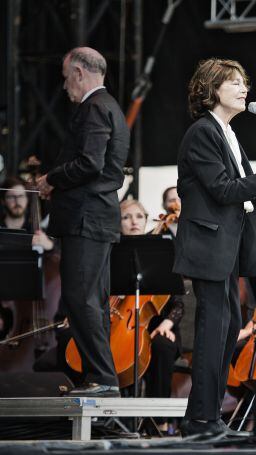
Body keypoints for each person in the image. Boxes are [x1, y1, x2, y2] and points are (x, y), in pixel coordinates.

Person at [173, 58, 256, 436]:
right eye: (235, 83)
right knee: (214, 329)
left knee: (228, 327)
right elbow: (223, 190)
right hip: (209, 246)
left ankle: (209, 416)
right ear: (212, 89)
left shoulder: (226, 130)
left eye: (245, 83)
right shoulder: (202, 132)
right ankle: (201, 420)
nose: (244, 90)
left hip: (226, 249)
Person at [36, 47, 129, 397]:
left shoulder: (93, 108)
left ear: (78, 72)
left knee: (80, 299)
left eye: (65, 77)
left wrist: (52, 180)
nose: (64, 87)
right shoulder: (109, 107)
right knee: (93, 300)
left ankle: (103, 380)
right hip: (96, 218)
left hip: (86, 219)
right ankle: (100, 378)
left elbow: (89, 163)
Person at [120, 199, 184, 432]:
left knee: (161, 346)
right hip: (123, 324)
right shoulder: (114, 250)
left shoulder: (161, 249)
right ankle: (118, 416)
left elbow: (178, 301)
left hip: (160, 323)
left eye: (139, 216)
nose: (133, 222)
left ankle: (159, 419)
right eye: (126, 217)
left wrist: (168, 322)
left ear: (147, 220)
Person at [1, 176, 54, 251]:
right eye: (11, 197)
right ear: (3, 201)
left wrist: (50, 246)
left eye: (21, 196)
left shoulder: (36, 230)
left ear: (27, 199)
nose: (17, 201)